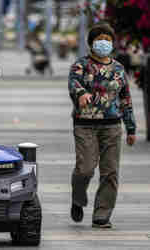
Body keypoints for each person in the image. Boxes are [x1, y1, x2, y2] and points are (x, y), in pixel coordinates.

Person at [68, 22, 136, 228]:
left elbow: (125, 98)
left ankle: (102, 215)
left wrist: (131, 127)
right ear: (91, 43)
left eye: (107, 40)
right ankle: (78, 198)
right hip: (85, 125)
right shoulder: (80, 65)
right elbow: (73, 84)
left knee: (110, 172)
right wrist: (81, 94)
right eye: (100, 40)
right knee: (85, 169)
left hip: (112, 126)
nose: (104, 43)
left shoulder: (118, 69)